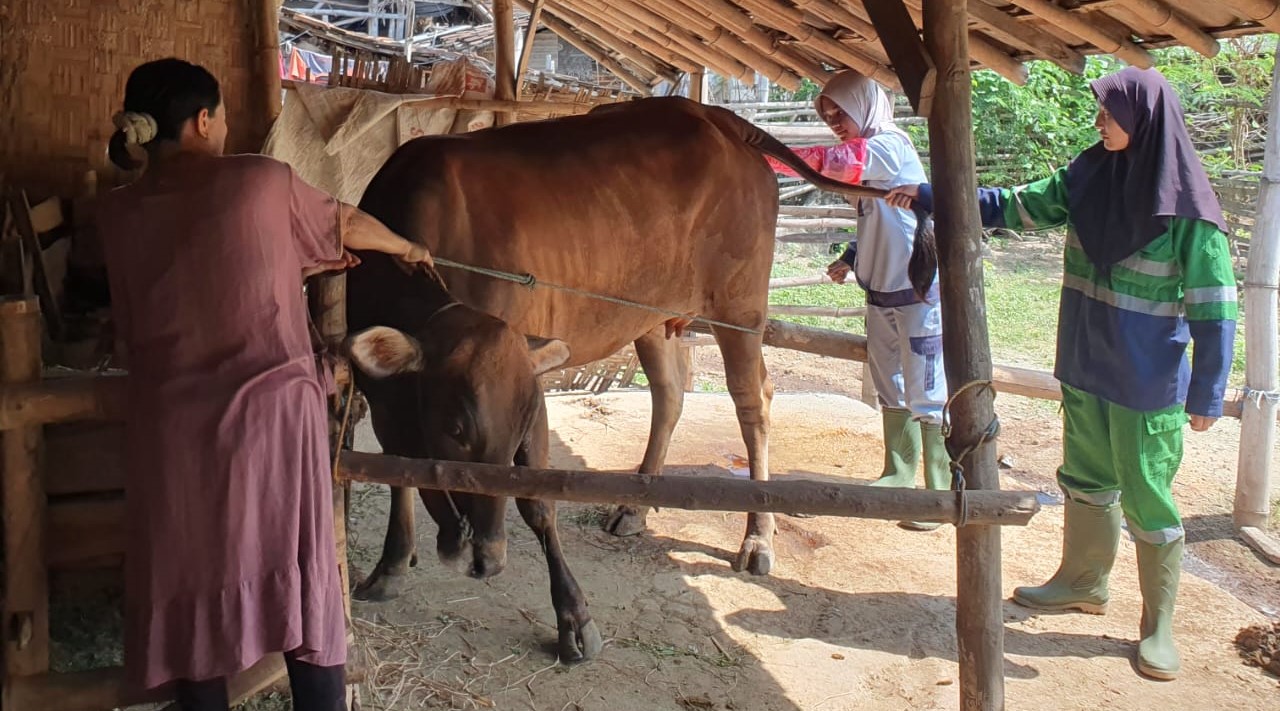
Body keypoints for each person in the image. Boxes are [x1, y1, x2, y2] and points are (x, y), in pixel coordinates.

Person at [97, 58, 434, 710]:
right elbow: (341, 224)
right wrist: (407, 248)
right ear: (201, 121)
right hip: (271, 424)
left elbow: (142, 318)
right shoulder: (260, 180)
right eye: (220, 117)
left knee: (190, 597)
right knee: (303, 589)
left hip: (173, 438)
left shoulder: (116, 214)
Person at [888, 66, 1237, 680]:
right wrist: (927, 193)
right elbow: (1012, 206)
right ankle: (1082, 581)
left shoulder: (1190, 214)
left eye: (1110, 112)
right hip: (1084, 364)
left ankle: (1158, 625)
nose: (1099, 121)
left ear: (1145, 122)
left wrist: (1207, 390)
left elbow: (1215, 310)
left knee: (1148, 493)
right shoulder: (1087, 175)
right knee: (1084, 475)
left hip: (1145, 381)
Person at [766, 70, 949, 530]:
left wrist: (769, 154)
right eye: (826, 113)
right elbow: (879, 217)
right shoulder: (874, 155)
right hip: (883, 287)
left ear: (864, 105)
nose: (833, 120)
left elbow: (833, 164)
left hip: (917, 287)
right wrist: (852, 256)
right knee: (889, 380)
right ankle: (898, 472)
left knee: (925, 383)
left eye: (839, 112)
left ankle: (939, 489)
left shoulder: (887, 146)